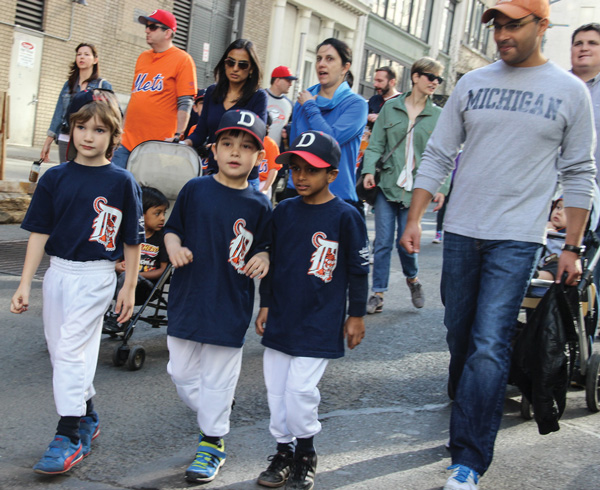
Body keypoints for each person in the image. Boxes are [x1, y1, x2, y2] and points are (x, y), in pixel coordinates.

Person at [399, 1, 596, 488]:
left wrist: (571, 246)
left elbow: (579, 172)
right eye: (498, 26)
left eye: (514, 25)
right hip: (463, 231)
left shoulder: (571, 93)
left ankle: (468, 458)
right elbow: (439, 153)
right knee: (459, 334)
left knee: (489, 344)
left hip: (517, 238)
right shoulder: (472, 83)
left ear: (542, 26)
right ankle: (468, 393)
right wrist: (415, 217)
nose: (502, 34)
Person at [10, 89, 144, 475]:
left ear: (112, 136)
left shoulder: (122, 181)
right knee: (62, 351)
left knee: (70, 349)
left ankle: (67, 434)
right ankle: (86, 414)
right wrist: (25, 284)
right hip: (59, 273)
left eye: (99, 130)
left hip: (97, 275)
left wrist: (129, 287)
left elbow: (133, 241)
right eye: (81, 127)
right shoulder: (56, 177)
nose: (88, 136)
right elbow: (38, 232)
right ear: (70, 130)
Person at [255, 130, 368, 490]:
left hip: (320, 319)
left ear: (332, 174)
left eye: (311, 170)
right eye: (295, 168)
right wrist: (267, 304)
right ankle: (283, 450)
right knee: (276, 391)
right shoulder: (283, 211)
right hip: (283, 317)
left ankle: (305, 452)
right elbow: (269, 260)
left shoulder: (346, 216)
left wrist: (356, 314)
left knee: (300, 392)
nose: (301, 177)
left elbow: (359, 269)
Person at [164, 109, 272, 484]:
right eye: (227, 143)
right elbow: (171, 230)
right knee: (179, 371)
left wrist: (263, 254)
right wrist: (174, 247)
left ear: (259, 157)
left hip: (230, 303)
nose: (235, 152)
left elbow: (267, 248)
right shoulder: (196, 189)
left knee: (218, 378)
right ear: (214, 148)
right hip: (188, 297)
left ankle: (212, 442)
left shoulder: (259, 205)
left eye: (246, 147)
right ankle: (217, 408)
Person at [362, 57, 446, 313]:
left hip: (416, 191)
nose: (435, 82)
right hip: (388, 185)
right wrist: (368, 170)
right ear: (416, 77)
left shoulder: (438, 116)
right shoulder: (391, 107)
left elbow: (445, 154)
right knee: (383, 241)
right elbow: (376, 143)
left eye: (438, 79)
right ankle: (378, 294)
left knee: (406, 243)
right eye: (431, 77)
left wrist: (442, 187)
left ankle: (413, 279)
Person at [285, 38, 367, 213]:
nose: (322, 64)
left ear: (345, 67)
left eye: (330, 59)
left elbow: (330, 141)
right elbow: (295, 148)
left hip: (338, 197)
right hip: (299, 193)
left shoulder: (356, 104)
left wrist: (310, 107)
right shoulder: (304, 99)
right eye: (319, 59)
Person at [112, 9, 197, 169]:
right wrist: (121, 129)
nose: (146, 30)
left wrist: (177, 136)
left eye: (152, 27)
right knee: (116, 187)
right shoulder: (142, 57)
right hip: (127, 141)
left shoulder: (183, 60)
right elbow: (135, 96)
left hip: (156, 145)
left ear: (168, 33)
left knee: (145, 192)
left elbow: (185, 102)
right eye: (146, 26)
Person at [184, 38, 268, 187]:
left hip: (245, 178)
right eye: (230, 62)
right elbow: (200, 132)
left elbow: (257, 137)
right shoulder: (212, 92)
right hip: (215, 172)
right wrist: (183, 143)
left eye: (242, 65)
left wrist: (224, 144)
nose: (235, 68)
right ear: (224, 64)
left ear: (251, 69)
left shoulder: (258, 97)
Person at [103, 186, 169, 334]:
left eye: (164, 213)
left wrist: (135, 275)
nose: (163, 218)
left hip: (145, 288)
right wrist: (118, 266)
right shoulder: (126, 233)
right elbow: (117, 261)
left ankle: (118, 318)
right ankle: (103, 313)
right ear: (140, 213)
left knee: (126, 276)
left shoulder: (163, 237)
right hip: (119, 283)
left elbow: (163, 270)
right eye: (157, 213)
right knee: (101, 272)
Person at [41, 43, 112, 164]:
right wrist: (48, 141)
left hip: (90, 138)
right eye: (79, 54)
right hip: (66, 136)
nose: (81, 57)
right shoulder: (69, 85)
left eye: (86, 54)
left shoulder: (103, 85)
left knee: (87, 175)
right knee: (68, 174)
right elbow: (58, 114)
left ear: (95, 60)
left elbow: (111, 117)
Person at [266, 65, 297, 148]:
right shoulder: (260, 97)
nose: (290, 84)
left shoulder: (289, 104)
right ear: (277, 81)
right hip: (256, 150)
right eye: (288, 80)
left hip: (276, 154)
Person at [259, 115, 282, 199]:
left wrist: (266, 188)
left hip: (263, 182)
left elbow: (274, 169)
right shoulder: (249, 141)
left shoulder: (270, 144)